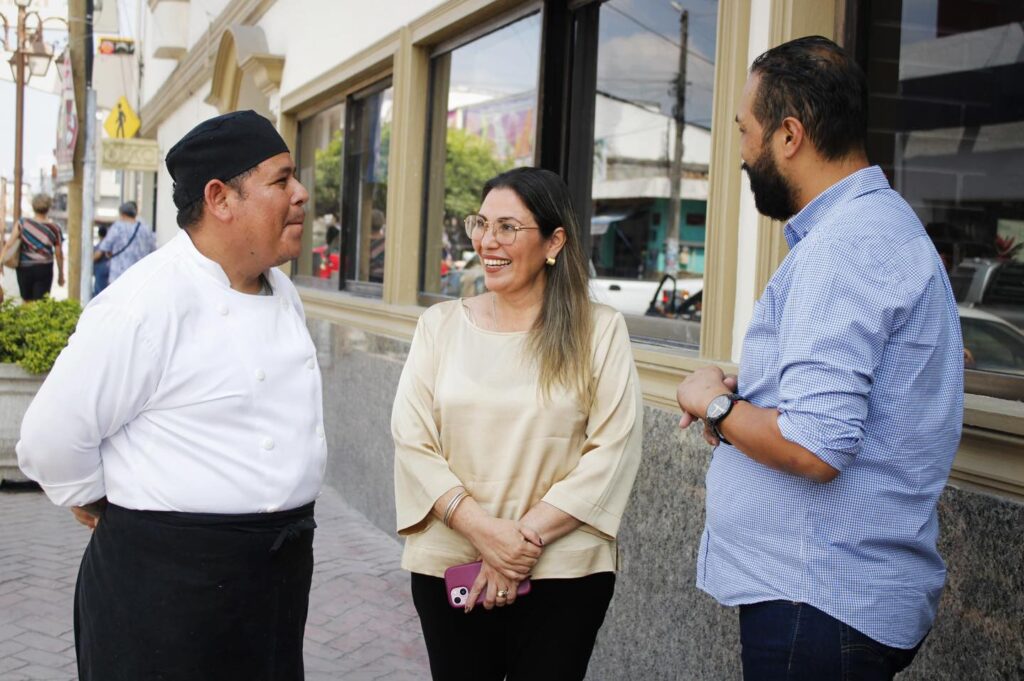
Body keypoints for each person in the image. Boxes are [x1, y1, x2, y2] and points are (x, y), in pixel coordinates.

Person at [675, 36, 963, 680]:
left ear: (789, 135)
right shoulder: (872, 229)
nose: (743, 153)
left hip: (820, 601)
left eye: (747, 132)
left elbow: (815, 447)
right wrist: (753, 385)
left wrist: (715, 406)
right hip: (827, 601)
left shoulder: (846, 245)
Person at [17, 110, 327, 681]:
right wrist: (110, 503)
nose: (301, 194)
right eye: (282, 180)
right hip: (167, 589)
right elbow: (47, 440)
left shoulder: (283, 292)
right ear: (220, 198)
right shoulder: (145, 303)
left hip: (275, 578)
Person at [392, 167, 643, 681]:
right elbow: (412, 440)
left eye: (508, 227)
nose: (488, 241)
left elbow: (613, 449)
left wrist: (515, 545)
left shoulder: (599, 330)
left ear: (555, 241)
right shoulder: (439, 326)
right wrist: (484, 534)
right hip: (450, 564)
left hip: (562, 571)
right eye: (481, 224)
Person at [0, 193, 65, 301]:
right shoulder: (55, 228)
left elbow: (9, 244)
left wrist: (1, 261)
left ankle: (25, 318)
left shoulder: (23, 223)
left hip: (24, 268)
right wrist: (61, 275)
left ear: (33, 206)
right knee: (40, 303)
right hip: (44, 268)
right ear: (48, 207)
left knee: (26, 300)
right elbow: (59, 254)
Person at [94, 200, 156, 283]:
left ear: (122, 214)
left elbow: (103, 248)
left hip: (119, 276)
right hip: (140, 276)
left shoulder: (117, 227)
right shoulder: (146, 229)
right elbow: (153, 250)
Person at [92, 224, 110, 295]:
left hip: (101, 272)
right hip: (105, 271)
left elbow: (97, 256)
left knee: (100, 293)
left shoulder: (102, 245)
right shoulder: (107, 244)